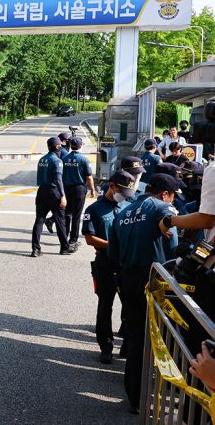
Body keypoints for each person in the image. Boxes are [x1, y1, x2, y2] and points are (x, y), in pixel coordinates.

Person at [108, 173, 181, 414]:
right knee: (162, 340)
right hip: (155, 280)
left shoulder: (123, 212)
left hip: (127, 278)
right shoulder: (163, 208)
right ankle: (157, 395)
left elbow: (113, 253)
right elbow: (173, 251)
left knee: (136, 338)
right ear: (165, 194)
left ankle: (135, 398)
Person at [82, 171, 136, 364]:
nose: (125, 194)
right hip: (105, 262)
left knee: (130, 306)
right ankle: (106, 346)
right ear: (112, 186)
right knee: (105, 306)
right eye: (122, 190)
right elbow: (89, 238)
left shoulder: (130, 206)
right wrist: (113, 245)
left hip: (127, 264)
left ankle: (127, 344)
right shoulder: (95, 209)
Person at [32, 137, 74, 257]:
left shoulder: (42, 159)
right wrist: (62, 196)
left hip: (41, 192)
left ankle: (35, 249)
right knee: (60, 220)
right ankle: (64, 248)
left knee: (39, 220)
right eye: (60, 145)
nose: (62, 147)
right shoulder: (57, 161)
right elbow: (58, 180)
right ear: (56, 147)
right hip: (54, 192)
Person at [62, 136, 96, 247]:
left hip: (66, 188)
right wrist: (92, 189)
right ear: (80, 146)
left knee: (67, 213)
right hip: (79, 189)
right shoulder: (84, 159)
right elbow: (89, 177)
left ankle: (64, 235)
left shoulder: (65, 158)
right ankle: (73, 239)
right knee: (76, 215)